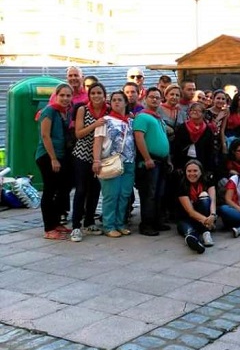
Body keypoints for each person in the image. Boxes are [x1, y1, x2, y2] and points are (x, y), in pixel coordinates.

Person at [93, 91, 136, 238]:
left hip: (129, 161)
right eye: (114, 100)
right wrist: (96, 160)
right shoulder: (105, 120)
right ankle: (108, 225)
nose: (116, 102)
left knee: (124, 195)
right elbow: (98, 141)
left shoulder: (131, 121)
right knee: (111, 195)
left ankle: (120, 223)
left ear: (125, 103)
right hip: (110, 162)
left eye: (120, 100)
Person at [70, 83, 107, 241]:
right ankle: (76, 226)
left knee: (95, 190)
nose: (96, 96)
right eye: (93, 93)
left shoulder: (108, 110)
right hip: (82, 155)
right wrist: (95, 124)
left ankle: (89, 221)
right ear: (89, 95)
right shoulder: (82, 109)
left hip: (100, 155)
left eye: (99, 93)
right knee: (81, 190)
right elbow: (79, 133)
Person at [36, 84, 73, 240]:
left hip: (61, 156)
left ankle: (56, 222)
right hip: (48, 156)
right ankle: (49, 228)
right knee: (50, 191)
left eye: (68, 95)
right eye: (62, 95)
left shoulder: (64, 113)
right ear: (56, 96)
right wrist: (53, 158)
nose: (65, 98)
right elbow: (45, 136)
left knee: (62, 190)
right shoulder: (49, 111)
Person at [134, 87, 172, 237]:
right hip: (150, 161)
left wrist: (168, 159)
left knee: (159, 193)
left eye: (157, 97)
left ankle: (156, 221)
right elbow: (139, 137)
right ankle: (146, 224)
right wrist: (147, 158)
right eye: (152, 97)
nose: (155, 100)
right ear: (145, 99)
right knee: (149, 194)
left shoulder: (157, 118)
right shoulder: (142, 117)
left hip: (161, 161)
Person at [175, 159, 217, 253]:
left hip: (204, 214)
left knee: (204, 196)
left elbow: (213, 201)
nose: (192, 174)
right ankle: (195, 243)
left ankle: (205, 232)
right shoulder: (182, 185)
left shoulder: (208, 181)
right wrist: (207, 222)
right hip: (186, 218)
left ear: (201, 172)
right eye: (189, 171)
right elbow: (190, 212)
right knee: (189, 232)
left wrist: (213, 215)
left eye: (195, 171)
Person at [172, 102, 215, 173]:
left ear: (203, 114)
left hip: (201, 160)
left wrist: (209, 168)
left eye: (198, 110)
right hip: (183, 160)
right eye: (192, 110)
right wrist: (177, 165)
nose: (194, 112)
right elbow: (176, 147)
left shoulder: (207, 130)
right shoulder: (182, 127)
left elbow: (210, 150)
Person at [204, 89, 229, 177]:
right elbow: (207, 129)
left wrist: (224, 145)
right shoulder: (206, 112)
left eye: (223, 99)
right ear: (214, 99)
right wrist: (218, 118)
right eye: (218, 98)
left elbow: (222, 129)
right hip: (208, 141)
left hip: (218, 141)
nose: (220, 101)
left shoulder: (225, 112)